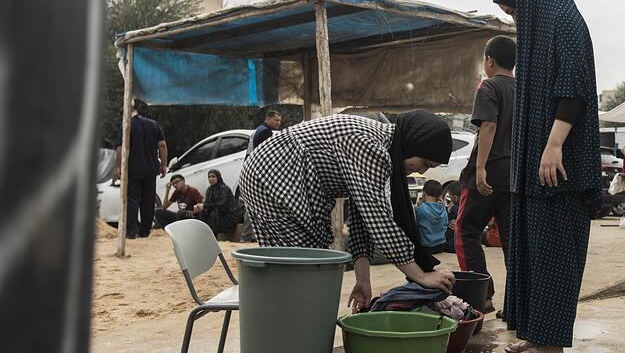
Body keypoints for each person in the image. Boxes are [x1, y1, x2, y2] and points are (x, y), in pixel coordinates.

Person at [492, 0, 601, 353]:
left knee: (554, 255)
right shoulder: (545, 29)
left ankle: (551, 352)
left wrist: (554, 145)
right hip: (538, 170)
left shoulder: (565, 23)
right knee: (535, 253)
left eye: (514, 11)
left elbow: (573, 91)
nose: (516, 20)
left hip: (560, 167)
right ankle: (537, 336)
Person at [239, 111, 456, 312]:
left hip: (288, 179)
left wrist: (363, 280)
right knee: (300, 268)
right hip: (272, 174)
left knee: (310, 268)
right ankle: (295, 336)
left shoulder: (383, 149)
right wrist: (421, 276)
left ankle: (303, 331)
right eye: (424, 162)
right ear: (412, 143)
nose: (421, 171)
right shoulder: (370, 145)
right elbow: (378, 220)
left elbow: (362, 217)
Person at [455, 35, 516, 313]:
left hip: (489, 172)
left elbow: (488, 127)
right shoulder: (522, 89)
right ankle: (517, 303)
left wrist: (480, 169)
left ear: (489, 60)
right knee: (511, 239)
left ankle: (482, 296)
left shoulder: (488, 86)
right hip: (514, 174)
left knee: (466, 230)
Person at [114, 101, 167, 239]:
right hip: (151, 170)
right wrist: (163, 165)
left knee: (132, 200)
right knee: (148, 201)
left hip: (132, 170)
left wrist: (118, 167)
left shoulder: (126, 126)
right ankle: (145, 231)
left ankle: (131, 232)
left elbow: (120, 148)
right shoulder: (153, 124)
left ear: (124, 115)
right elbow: (162, 145)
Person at [241, 109, 283, 242]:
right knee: (258, 203)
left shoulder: (257, 130)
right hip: (257, 172)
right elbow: (265, 155)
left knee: (253, 203)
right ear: (268, 119)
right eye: (276, 120)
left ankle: (249, 235)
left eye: (280, 120)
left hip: (249, 169)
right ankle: (247, 235)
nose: (279, 123)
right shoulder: (265, 132)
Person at [193, 169, 239, 237]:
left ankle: (213, 236)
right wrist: (200, 208)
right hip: (217, 215)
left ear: (218, 177)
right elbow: (208, 205)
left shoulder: (224, 188)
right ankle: (204, 234)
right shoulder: (209, 190)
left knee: (215, 213)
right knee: (203, 212)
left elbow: (222, 205)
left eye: (213, 176)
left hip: (228, 216)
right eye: (209, 177)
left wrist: (205, 206)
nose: (210, 179)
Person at [414, 180, 449, 255]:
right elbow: (446, 223)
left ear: (423, 193)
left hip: (426, 247)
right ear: (439, 196)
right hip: (441, 245)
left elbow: (415, 225)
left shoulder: (419, 209)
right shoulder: (443, 208)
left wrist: (417, 206)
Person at [443, 181, 461, 253]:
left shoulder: (455, 209)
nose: (449, 197)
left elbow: (447, 221)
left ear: (455, 197)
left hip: (453, 245)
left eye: (449, 195)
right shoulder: (467, 207)